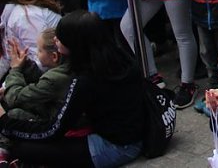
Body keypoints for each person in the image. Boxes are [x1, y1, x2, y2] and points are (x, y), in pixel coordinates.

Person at [1, 11, 145, 167]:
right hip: (133, 136)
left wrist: (5, 122)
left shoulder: (86, 80)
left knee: (22, 149)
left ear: (75, 43)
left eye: (60, 38)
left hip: (115, 147)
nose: (55, 39)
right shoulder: (120, 57)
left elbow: (54, 130)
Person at [0, 28, 73, 129]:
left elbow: (15, 98)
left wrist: (15, 69)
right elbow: (39, 82)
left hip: (53, 125)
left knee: (14, 114)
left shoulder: (54, 79)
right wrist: (24, 64)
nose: (36, 54)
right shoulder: (67, 67)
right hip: (52, 111)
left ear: (54, 56)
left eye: (39, 50)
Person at [0, 0, 61, 80]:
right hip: (36, 69)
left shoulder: (23, 17)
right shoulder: (9, 16)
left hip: (53, 72)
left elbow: (42, 63)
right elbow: (7, 58)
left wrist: (8, 86)